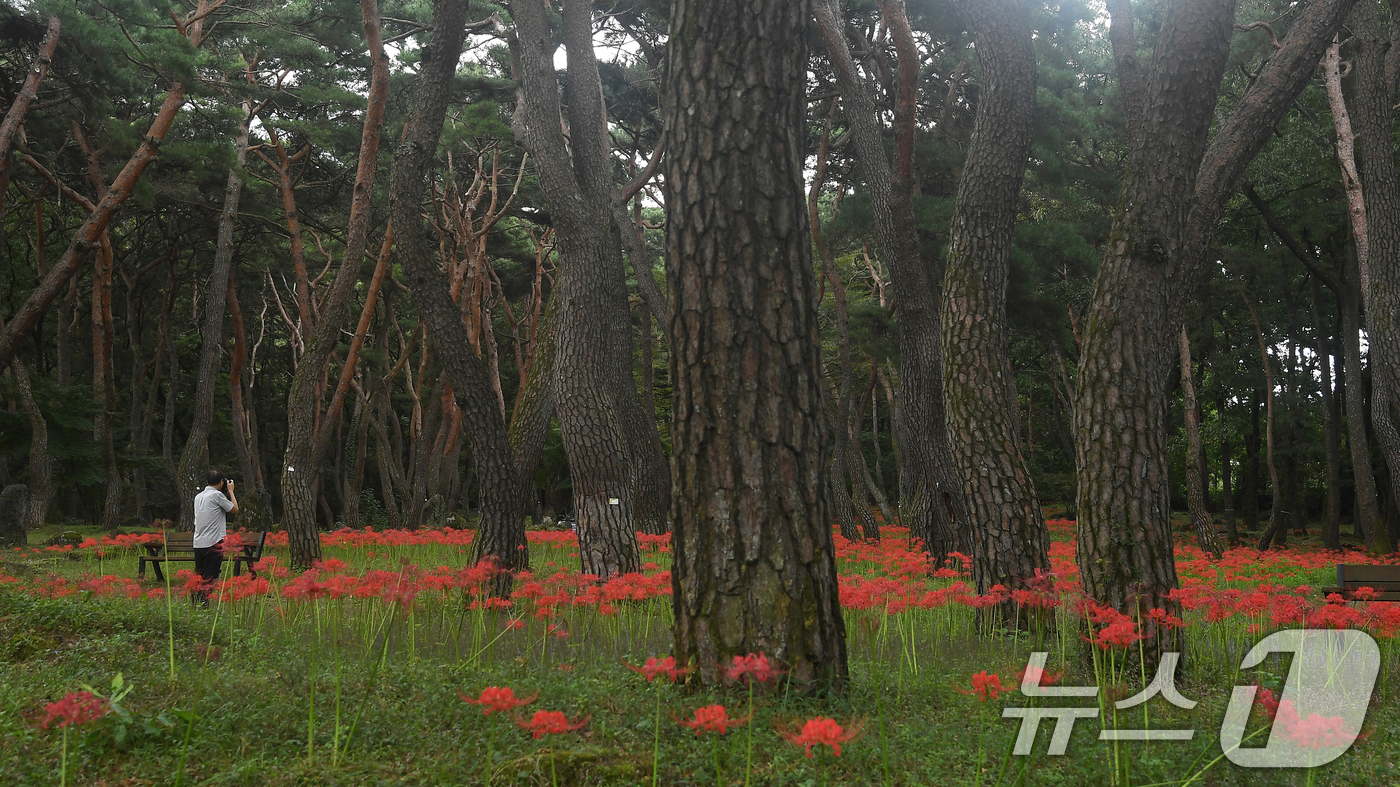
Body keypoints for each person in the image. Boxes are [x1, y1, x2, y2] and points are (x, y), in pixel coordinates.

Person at [192, 469, 239, 605]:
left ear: (207, 481)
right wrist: (230, 491)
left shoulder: (199, 496)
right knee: (209, 576)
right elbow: (235, 509)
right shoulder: (217, 496)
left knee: (199, 574)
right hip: (213, 542)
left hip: (198, 542)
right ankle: (203, 604)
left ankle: (196, 601)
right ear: (221, 482)